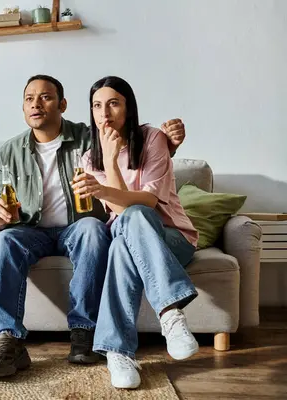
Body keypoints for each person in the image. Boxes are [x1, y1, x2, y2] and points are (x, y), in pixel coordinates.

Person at [0, 74, 187, 379]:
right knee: (3, 242)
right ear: (23, 107)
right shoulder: (7, 153)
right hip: (30, 230)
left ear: (63, 104)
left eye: (46, 97)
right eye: (29, 99)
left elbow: (131, 149)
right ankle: (6, 340)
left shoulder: (89, 139)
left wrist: (169, 145)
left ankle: (83, 332)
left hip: (76, 227)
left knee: (92, 228)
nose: (36, 104)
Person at [74, 76, 199, 389]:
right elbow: (119, 212)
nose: (105, 113)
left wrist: (112, 165)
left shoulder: (153, 138)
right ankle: (168, 318)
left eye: (114, 103)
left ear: (128, 108)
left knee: (136, 216)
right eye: (97, 106)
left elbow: (147, 201)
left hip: (173, 238)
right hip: (127, 238)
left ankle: (122, 346)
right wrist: (109, 157)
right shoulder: (90, 158)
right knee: (122, 242)